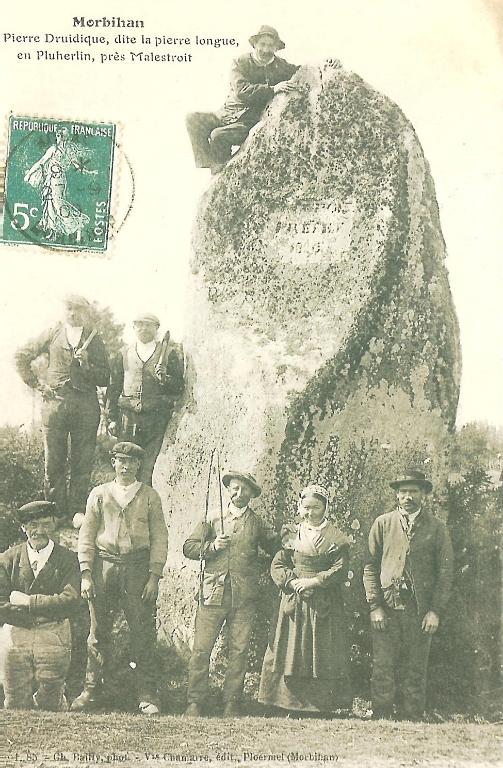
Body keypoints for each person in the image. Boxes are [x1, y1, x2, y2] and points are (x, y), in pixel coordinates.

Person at [70, 442, 168, 715]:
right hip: (105, 566)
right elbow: (87, 535)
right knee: (98, 630)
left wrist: (154, 576)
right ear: (113, 463)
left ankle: (147, 693)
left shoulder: (149, 496)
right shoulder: (99, 495)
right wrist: (86, 573)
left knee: (142, 632)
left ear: (139, 465)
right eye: (121, 461)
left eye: (132, 462)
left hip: (137, 569)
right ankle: (91, 690)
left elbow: (160, 538)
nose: (126, 466)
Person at [183, 470, 279, 717]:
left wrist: (290, 537)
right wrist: (212, 547)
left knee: (239, 650)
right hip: (212, 594)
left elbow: (276, 547)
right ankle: (195, 701)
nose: (239, 493)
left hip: (244, 597)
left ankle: (231, 703)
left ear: (252, 495)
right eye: (235, 488)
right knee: (202, 649)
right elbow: (189, 548)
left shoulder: (257, 523)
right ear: (228, 489)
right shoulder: (212, 518)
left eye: (245, 490)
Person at [363, 469, 454, 721]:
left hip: (420, 609)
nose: (407, 497)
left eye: (413, 491)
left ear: (423, 495)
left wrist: (435, 610)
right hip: (387, 606)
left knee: (416, 666)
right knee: (382, 663)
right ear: (396, 494)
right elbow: (369, 566)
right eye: (403, 492)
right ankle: (381, 713)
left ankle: (412, 715)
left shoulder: (437, 529)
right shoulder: (383, 524)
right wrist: (374, 606)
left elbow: (446, 572)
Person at [15, 295, 110, 527]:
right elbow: (21, 356)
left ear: (86, 313)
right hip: (55, 406)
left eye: (78, 310)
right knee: (53, 462)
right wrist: (37, 385)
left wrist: (87, 364)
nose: (73, 314)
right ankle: (55, 513)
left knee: (82, 462)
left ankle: (77, 512)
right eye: (69, 309)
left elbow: (105, 378)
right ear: (63, 311)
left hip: (86, 408)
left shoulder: (95, 340)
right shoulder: (52, 333)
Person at [258, 484, 352, 714]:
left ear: (325, 508)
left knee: (322, 647)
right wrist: (292, 583)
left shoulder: (336, 537)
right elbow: (278, 564)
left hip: (323, 600)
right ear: (300, 507)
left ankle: (320, 705)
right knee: (289, 646)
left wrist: (316, 581)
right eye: (306, 507)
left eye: (316, 508)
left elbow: (341, 568)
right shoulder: (291, 535)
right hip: (295, 600)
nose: (311, 513)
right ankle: (284, 702)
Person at [0, 500, 80, 710]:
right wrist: (31, 615)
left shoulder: (68, 559)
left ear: (53, 525)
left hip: (53, 632)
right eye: (33, 525)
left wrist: (29, 601)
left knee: (50, 696)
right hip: (17, 631)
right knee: (15, 698)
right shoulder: (8, 559)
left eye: (45, 524)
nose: (39, 531)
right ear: (23, 528)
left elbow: (71, 600)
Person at [186, 25, 299, 174]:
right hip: (227, 113)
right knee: (193, 118)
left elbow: (302, 70)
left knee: (218, 136)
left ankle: (222, 169)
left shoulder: (280, 66)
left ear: (276, 48)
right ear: (255, 44)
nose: (266, 50)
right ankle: (209, 162)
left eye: (271, 46)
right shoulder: (240, 62)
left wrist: (329, 64)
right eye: (262, 44)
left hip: (247, 121)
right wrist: (272, 89)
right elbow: (242, 90)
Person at [107, 313, 184, 486]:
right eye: (139, 325)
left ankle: (146, 508)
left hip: (155, 418)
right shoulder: (123, 353)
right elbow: (113, 387)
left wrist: (165, 379)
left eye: (148, 325)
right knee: (126, 464)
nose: (143, 328)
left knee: (149, 467)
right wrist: (111, 418)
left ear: (156, 329)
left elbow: (179, 386)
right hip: (128, 418)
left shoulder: (169, 353)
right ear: (133, 328)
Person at [24, 125, 97, 242]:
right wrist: (89, 172)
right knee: (50, 203)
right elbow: (43, 162)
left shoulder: (56, 149)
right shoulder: (66, 151)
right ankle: (52, 230)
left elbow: (42, 162)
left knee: (56, 203)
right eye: (58, 135)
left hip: (57, 180)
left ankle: (72, 224)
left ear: (65, 138)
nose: (58, 137)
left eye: (60, 135)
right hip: (54, 180)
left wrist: (29, 175)